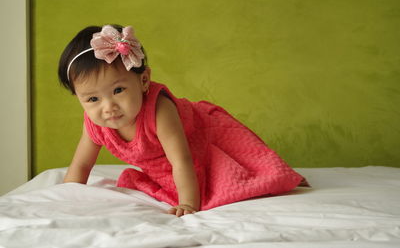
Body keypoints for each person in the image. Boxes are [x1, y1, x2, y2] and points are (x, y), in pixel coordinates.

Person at [59, 24, 305, 217]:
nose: (108, 107)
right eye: (92, 99)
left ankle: (276, 173)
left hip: (203, 136)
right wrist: (65, 198)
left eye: (118, 91)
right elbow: (81, 166)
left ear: (143, 81)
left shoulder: (159, 111)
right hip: (167, 161)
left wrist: (188, 203)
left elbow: (182, 160)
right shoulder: (95, 123)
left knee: (246, 167)